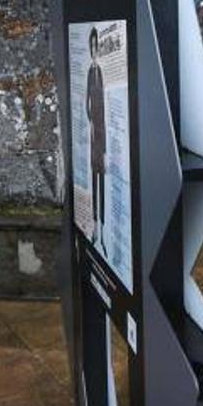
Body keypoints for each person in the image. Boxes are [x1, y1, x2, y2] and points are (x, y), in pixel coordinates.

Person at [86, 27, 107, 253]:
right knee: (94, 179)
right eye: (92, 48)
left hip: (103, 137)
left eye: (96, 47)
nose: (94, 51)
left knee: (103, 181)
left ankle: (102, 233)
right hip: (94, 136)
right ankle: (94, 229)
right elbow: (86, 101)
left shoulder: (101, 72)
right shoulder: (91, 72)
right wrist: (91, 121)